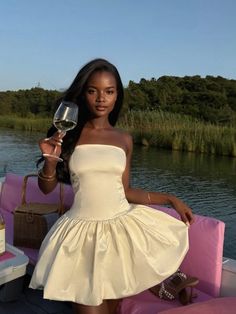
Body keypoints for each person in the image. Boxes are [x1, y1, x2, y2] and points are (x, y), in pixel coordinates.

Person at [29, 58, 196, 314]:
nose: (100, 98)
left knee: (111, 309)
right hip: (80, 237)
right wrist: (51, 161)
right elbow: (46, 189)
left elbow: (126, 191)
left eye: (109, 91)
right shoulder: (68, 135)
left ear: (117, 95)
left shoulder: (124, 139)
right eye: (92, 90)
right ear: (83, 93)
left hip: (118, 235)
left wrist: (171, 199)